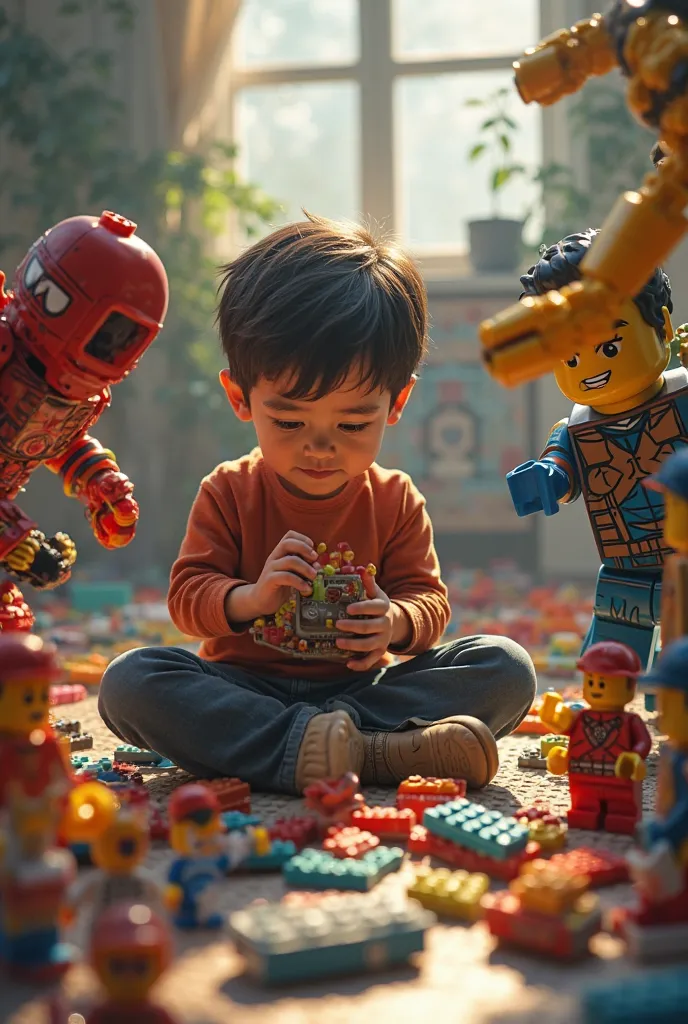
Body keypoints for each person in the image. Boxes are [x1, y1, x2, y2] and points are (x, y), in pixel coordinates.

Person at [99, 214, 536, 795]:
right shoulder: (229, 491)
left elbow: (428, 603)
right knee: (131, 682)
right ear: (241, 398)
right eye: (289, 420)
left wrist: (394, 620)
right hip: (244, 686)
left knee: (505, 666)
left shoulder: (396, 498)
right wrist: (251, 598)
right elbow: (187, 598)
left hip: (361, 691)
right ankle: (374, 751)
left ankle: (322, 747)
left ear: (397, 401)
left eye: (354, 422)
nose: (320, 446)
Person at [506, 228, 683, 669]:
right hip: (625, 569)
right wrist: (548, 480)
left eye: (609, 346)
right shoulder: (575, 429)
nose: (591, 368)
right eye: (570, 356)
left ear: (662, 325)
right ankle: (603, 706)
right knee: (613, 644)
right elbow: (562, 470)